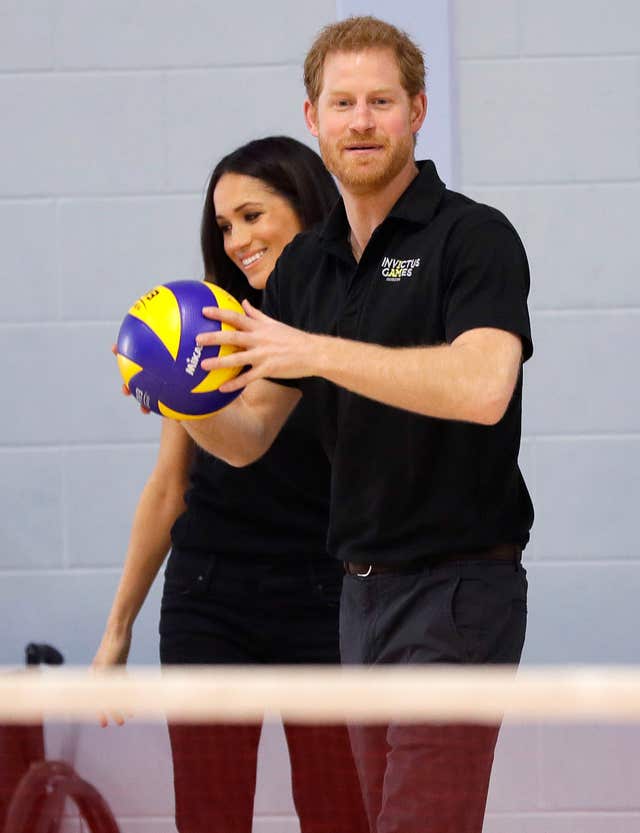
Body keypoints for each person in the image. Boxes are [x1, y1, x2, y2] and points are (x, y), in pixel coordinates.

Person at [179, 16, 534, 833]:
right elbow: (250, 434)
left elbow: (483, 385)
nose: (361, 121)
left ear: (417, 109)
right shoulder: (308, 264)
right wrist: (180, 396)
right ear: (314, 118)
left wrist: (317, 347)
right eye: (342, 103)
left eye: (381, 100)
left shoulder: (472, 237)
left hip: (458, 588)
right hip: (359, 596)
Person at [93, 136, 368, 833]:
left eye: (252, 215)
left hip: (323, 597)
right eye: (224, 226)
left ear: (306, 207)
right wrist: (115, 630)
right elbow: (168, 488)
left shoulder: (343, 318)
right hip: (208, 600)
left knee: (340, 813)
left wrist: (180, 391)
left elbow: (249, 437)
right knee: (210, 816)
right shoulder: (208, 323)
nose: (238, 238)